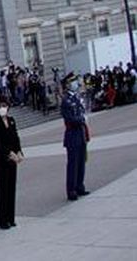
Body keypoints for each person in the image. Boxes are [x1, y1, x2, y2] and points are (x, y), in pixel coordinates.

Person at [0, 100, 22, 229]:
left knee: (11, 188)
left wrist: (19, 151)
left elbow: (16, 137)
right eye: (0, 106)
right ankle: (3, 221)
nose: (2, 108)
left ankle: (11, 218)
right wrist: (9, 153)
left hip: (13, 160)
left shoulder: (12, 120)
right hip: (2, 159)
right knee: (3, 190)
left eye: (4, 106)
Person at [61, 72, 90, 201]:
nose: (75, 84)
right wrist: (82, 119)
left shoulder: (76, 98)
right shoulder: (66, 101)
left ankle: (80, 186)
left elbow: (81, 111)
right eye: (72, 81)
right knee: (73, 164)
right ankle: (71, 190)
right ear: (67, 84)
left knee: (81, 162)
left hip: (80, 133)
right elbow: (70, 118)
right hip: (72, 134)